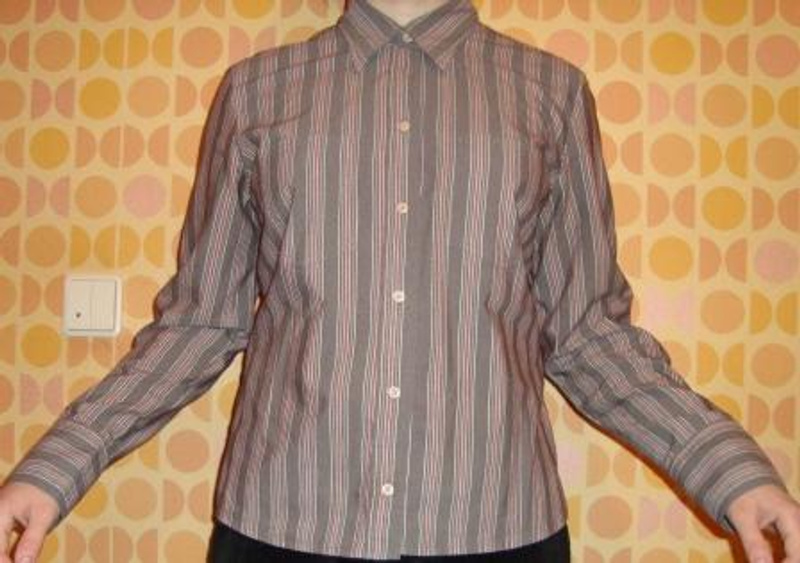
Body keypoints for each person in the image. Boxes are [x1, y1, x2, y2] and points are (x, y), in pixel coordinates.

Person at [1, 0, 799, 561]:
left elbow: (588, 332)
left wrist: (728, 468)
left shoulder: (550, 94)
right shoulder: (257, 91)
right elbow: (199, 324)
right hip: (284, 528)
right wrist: (56, 467)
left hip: (494, 529)